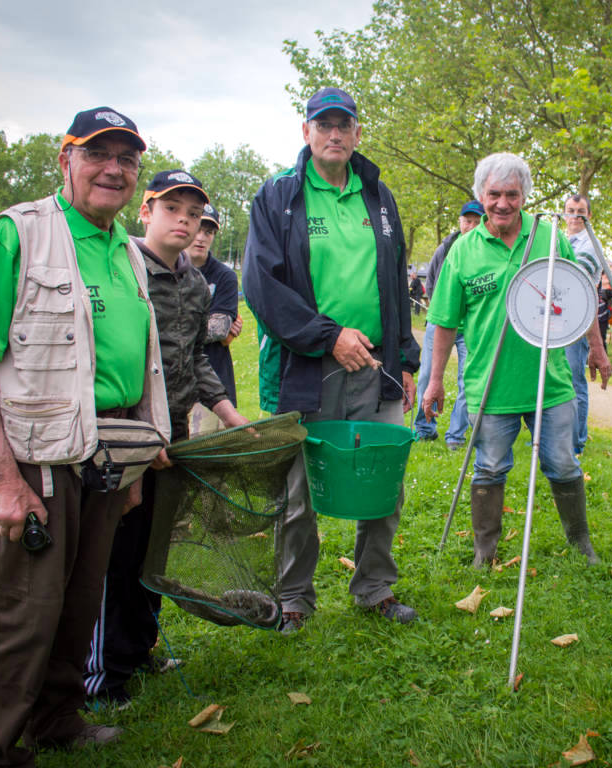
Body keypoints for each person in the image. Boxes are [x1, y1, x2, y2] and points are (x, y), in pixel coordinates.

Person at [0, 107, 171, 766]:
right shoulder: (18, 234)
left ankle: (56, 720)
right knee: (28, 611)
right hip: (37, 460)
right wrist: (5, 482)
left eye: (126, 158)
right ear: (65, 159)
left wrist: (134, 461)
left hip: (107, 458)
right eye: (98, 153)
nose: (114, 169)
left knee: (80, 601)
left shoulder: (127, 249)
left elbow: (135, 365)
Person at [243, 87, 421, 632]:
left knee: (382, 479)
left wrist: (407, 359)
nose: (335, 134)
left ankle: (375, 587)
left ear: (358, 133)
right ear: (306, 133)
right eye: (324, 125)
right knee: (301, 489)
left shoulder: (378, 195)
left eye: (344, 125)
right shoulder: (279, 196)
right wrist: (327, 337)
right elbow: (262, 287)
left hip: (375, 364)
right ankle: (294, 596)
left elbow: (394, 284)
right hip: (307, 365)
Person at [84, 171, 249, 707]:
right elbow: (109, 361)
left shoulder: (196, 284)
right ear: (146, 212)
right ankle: (104, 676)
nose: (185, 220)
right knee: (117, 553)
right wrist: (141, 433)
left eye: (194, 213)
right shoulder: (121, 270)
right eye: (172, 208)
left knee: (153, 549)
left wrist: (229, 414)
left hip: (174, 438)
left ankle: (141, 648)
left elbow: (195, 360)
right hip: (128, 436)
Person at [422, 153, 612, 568]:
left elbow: (579, 296)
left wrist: (597, 348)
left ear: (524, 195)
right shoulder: (463, 251)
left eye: (512, 194)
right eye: (494, 194)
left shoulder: (548, 237)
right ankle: (484, 552)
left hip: (551, 382)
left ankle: (581, 544)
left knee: (563, 462)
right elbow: (444, 322)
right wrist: (435, 381)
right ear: (480, 195)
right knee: (489, 467)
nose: (503, 204)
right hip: (491, 384)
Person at [413, 200, 482, 447]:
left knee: (468, 381)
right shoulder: (446, 246)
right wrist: (440, 310)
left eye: (476, 222)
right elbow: (431, 280)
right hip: (441, 324)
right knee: (428, 376)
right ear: (460, 222)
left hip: (471, 329)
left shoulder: (486, 249)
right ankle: (424, 428)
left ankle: (456, 436)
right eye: (467, 221)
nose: (471, 226)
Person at [187, 202, 244, 435]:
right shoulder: (166, 269)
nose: (201, 237)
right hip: (171, 385)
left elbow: (220, 329)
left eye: (208, 232)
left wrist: (172, 326)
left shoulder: (225, 276)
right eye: (198, 228)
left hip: (214, 384)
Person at [563, 193, 603, 456]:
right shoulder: (564, 240)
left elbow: (574, 281)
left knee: (575, 381)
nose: (575, 215)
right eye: (570, 210)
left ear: (589, 215)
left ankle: (577, 441)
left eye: (581, 211)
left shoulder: (589, 245)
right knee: (562, 379)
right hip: (558, 319)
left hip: (576, 321)